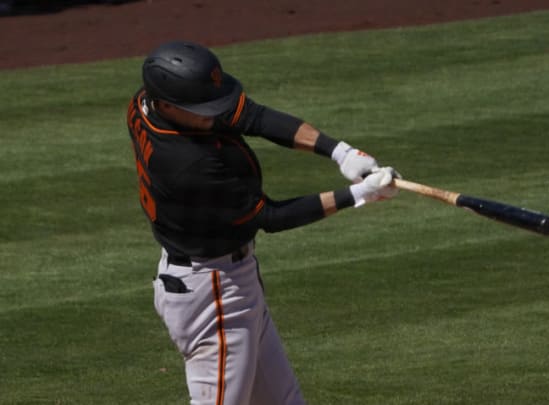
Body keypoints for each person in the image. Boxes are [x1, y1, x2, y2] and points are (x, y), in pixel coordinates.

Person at [126, 40, 399, 405]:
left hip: (226, 280)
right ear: (166, 105)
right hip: (213, 295)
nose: (213, 114)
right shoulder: (187, 166)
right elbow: (268, 215)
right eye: (201, 108)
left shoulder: (146, 104)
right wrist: (358, 194)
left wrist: (339, 151)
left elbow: (251, 116)